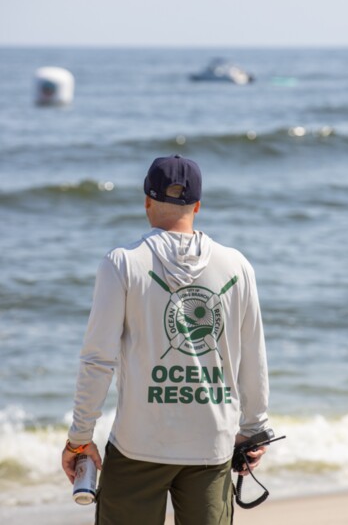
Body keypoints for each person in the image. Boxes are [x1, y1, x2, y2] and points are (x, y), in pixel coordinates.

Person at [62, 154, 270, 525]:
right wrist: (254, 428)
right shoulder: (237, 267)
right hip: (211, 444)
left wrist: (80, 437)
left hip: (139, 444)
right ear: (198, 206)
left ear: (146, 200)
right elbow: (252, 357)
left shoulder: (122, 263)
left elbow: (98, 359)